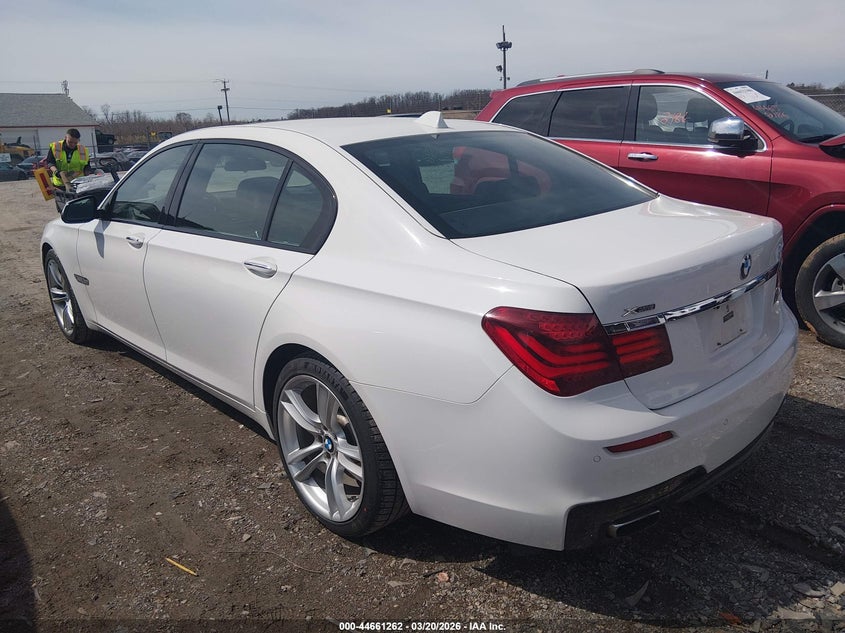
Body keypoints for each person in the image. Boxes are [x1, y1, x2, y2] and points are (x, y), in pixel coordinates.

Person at [46, 128, 92, 194]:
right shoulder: (56, 147)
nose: (73, 144)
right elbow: (50, 162)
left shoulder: (83, 150)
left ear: (78, 140)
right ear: (65, 137)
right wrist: (57, 172)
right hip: (60, 184)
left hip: (78, 184)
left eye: (75, 142)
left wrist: (88, 172)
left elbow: (87, 166)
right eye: (70, 142)